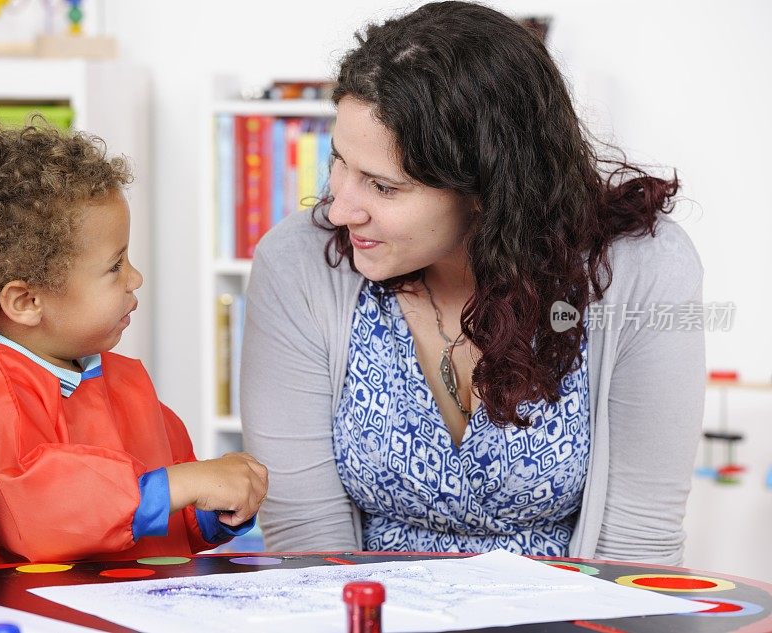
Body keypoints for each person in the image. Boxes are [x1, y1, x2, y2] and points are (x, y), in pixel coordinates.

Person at [241, 1, 704, 564]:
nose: (340, 210)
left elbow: (638, 540)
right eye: (340, 162)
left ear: (490, 193)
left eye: (383, 188)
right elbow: (304, 528)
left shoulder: (641, 270)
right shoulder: (297, 264)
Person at [0, 122, 268, 565]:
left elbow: (167, 510)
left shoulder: (122, 378)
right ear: (27, 300)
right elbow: (39, 511)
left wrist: (217, 507)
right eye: (114, 267)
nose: (135, 278)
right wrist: (182, 483)